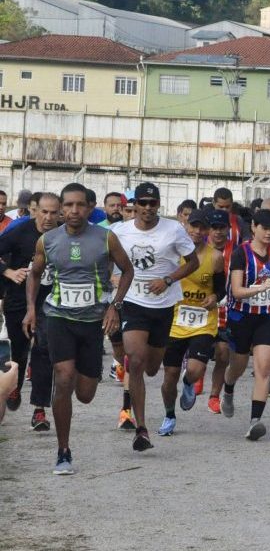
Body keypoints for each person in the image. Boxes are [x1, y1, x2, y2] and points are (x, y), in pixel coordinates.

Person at [24, 182, 133, 474]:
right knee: (63, 377)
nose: (74, 210)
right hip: (59, 318)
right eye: (68, 205)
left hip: (92, 322)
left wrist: (115, 306)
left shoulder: (106, 238)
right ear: (61, 208)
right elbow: (34, 275)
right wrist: (32, 309)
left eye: (80, 205)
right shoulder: (47, 240)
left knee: (85, 393)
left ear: (89, 208)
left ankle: (68, 396)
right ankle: (63, 450)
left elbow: (128, 270)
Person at [112, 182, 199, 451]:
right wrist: (112, 279)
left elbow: (192, 262)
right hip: (133, 302)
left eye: (153, 203)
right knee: (136, 361)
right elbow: (104, 262)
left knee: (151, 367)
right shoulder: (119, 232)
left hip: (163, 306)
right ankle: (141, 428)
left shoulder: (173, 229)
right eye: (143, 203)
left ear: (158, 205)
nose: (148, 208)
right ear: (134, 205)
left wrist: (168, 279)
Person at [222, 209, 270, 440]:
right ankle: (228, 387)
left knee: (264, 370)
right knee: (237, 365)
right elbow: (236, 291)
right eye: (264, 228)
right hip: (241, 317)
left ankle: (255, 421)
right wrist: (260, 288)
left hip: (267, 317)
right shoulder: (241, 254)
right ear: (254, 227)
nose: (268, 233)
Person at [158, 210, 225, 436]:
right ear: (185, 226)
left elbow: (221, 287)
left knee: (195, 370)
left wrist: (215, 297)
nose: (197, 231)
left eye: (202, 227)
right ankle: (169, 414)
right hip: (174, 320)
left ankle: (189, 383)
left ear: (208, 230)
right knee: (169, 377)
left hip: (203, 320)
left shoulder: (215, 256)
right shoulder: (172, 252)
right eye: (194, 226)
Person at [0, 192, 59, 428]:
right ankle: (13, 387)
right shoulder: (20, 232)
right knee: (20, 350)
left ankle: (39, 409)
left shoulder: (64, 233)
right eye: (43, 211)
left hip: (50, 303)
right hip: (18, 301)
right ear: (35, 211)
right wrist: (8, 272)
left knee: (43, 350)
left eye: (53, 213)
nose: (48, 217)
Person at [206, 209, 235, 414]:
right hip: (201, 308)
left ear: (228, 229)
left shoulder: (238, 251)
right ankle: (193, 376)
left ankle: (214, 396)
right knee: (196, 354)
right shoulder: (197, 249)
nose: (217, 232)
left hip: (226, 309)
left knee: (224, 354)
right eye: (214, 228)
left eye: (221, 228)